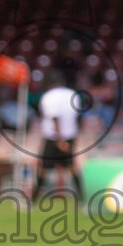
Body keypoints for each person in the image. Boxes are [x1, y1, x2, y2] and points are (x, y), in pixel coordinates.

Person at [34, 71, 82, 200]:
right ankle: (82, 198)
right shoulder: (73, 94)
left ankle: (34, 199)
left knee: (44, 167)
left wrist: (59, 140)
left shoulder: (49, 96)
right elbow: (76, 116)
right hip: (70, 135)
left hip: (53, 136)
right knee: (71, 166)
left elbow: (55, 117)